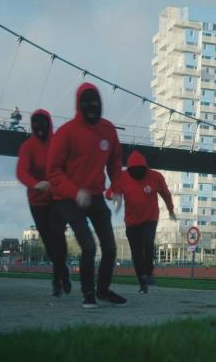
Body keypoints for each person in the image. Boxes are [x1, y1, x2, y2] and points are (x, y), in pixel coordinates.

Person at [48, 82, 126, 309]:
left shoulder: (108, 130)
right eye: (87, 106)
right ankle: (88, 293)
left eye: (96, 105)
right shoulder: (65, 133)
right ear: (79, 107)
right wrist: (74, 191)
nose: (92, 110)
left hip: (95, 196)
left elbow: (114, 163)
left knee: (110, 248)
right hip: (68, 198)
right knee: (89, 247)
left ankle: (102, 290)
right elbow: (53, 172)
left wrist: (117, 188)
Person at [105, 150, 176, 294]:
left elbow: (166, 194)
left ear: (145, 169)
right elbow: (108, 193)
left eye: (140, 171)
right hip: (131, 222)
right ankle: (142, 284)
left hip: (150, 218)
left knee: (148, 243)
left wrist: (170, 210)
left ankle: (149, 272)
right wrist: (114, 195)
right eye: (134, 171)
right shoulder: (122, 177)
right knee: (136, 253)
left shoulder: (155, 177)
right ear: (129, 170)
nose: (137, 174)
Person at [17, 109, 70, 297]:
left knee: (58, 236)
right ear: (32, 126)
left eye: (44, 123)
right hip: (37, 202)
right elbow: (21, 171)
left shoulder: (59, 143)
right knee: (49, 242)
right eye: (36, 124)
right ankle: (62, 272)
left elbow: (68, 167)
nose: (41, 128)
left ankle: (58, 280)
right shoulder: (28, 147)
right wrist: (35, 184)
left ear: (49, 123)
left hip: (57, 199)